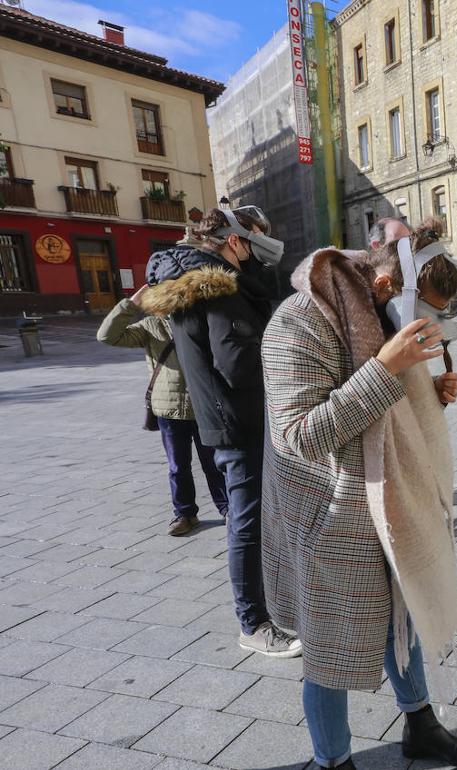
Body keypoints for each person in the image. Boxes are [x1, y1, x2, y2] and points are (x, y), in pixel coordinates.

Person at [261, 219, 457, 770]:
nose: (427, 326)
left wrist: (426, 392)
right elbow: (299, 436)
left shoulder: (377, 311)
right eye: (425, 311)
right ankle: (331, 761)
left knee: (399, 616)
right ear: (388, 285)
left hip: (388, 497)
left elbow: (384, 405)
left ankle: (421, 727)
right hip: (327, 511)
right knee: (330, 644)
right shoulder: (297, 323)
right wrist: (389, 368)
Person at [140, 206, 300, 658]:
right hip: (238, 419)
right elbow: (235, 364)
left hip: (224, 417)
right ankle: (254, 623)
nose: (257, 249)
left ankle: (276, 601)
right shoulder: (218, 289)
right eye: (254, 239)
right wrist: (285, 357)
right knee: (246, 522)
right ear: (233, 239)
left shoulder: (194, 281)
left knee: (255, 517)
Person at [97, 285, 228, 536]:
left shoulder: (202, 320)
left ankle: (228, 509)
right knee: (178, 466)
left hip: (203, 406)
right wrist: (131, 305)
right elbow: (107, 336)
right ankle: (185, 514)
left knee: (215, 463)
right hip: (169, 410)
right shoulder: (150, 327)